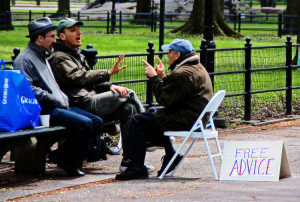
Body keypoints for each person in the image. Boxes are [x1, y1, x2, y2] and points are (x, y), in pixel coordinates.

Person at [48, 18, 153, 172]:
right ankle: (150, 134)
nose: (79, 33)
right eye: (73, 30)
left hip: (89, 99)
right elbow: (78, 77)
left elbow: (91, 83)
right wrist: (108, 73)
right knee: (129, 93)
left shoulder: (76, 54)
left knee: (129, 109)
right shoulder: (59, 57)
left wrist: (111, 85)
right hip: (79, 105)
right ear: (62, 36)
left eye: (79, 29)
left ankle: (130, 162)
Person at [13, 17, 103, 177]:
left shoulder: (43, 55)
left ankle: (60, 156)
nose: (55, 40)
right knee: (85, 124)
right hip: (44, 110)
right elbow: (28, 89)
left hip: (59, 105)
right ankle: (71, 163)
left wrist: (61, 96)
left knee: (96, 122)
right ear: (40, 38)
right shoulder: (25, 59)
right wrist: (54, 98)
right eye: (52, 37)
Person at [115, 39, 214, 180]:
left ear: (178, 55)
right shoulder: (196, 67)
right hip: (196, 117)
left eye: (169, 52)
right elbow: (177, 92)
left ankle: (136, 167)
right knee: (150, 114)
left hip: (188, 120)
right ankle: (170, 153)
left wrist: (154, 78)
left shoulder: (183, 74)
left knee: (138, 120)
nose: (167, 55)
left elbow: (165, 100)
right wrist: (163, 77)